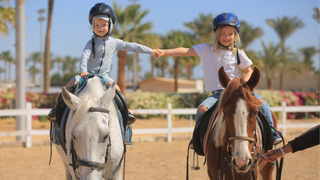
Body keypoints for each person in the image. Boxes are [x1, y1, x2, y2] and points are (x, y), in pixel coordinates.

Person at [155, 13, 282, 144]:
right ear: (216, 34)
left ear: (235, 35)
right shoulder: (206, 50)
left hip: (238, 92)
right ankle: (198, 138)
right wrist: (164, 52)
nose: (227, 37)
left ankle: (272, 132)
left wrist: (245, 84)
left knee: (262, 103)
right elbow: (186, 51)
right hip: (218, 94)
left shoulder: (238, 53)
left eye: (230, 34)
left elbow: (248, 70)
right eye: (223, 33)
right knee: (201, 109)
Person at [47, 2, 160, 123]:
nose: (100, 28)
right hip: (87, 74)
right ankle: (56, 108)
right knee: (70, 84)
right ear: (93, 26)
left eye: (103, 25)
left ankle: (125, 113)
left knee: (117, 89)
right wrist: (82, 70)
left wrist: (150, 51)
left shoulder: (115, 42)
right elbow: (84, 55)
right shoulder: (90, 43)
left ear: (110, 25)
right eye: (97, 25)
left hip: (104, 76)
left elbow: (132, 46)